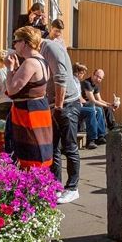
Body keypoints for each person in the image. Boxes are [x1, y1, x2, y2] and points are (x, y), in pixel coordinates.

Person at [39, 24, 82, 203]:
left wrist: (58, 106)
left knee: (69, 147)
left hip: (67, 104)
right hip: (54, 104)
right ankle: (55, 186)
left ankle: (72, 188)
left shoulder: (49, 47)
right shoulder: (42, 49)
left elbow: (61, 77)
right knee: (53, 148)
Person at [6, 26, 53, 169]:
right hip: (39, 109)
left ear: (25, 43)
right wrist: (16, 69)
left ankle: (29, 188)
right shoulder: (42, 61)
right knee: (40, 150)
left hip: (27, 113)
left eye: (16, 41)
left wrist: (9, 69)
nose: (14, 45)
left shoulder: (30, 62)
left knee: (29, 154)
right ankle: (41, 186)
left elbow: (12, 90)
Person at [73, 64, 106, 149]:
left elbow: (80, 97)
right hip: (73, 106)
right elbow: (92, 100)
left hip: (80, 104)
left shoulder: (77, 82)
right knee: (92, 109)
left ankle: (101, 136)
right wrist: (86, 102)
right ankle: (91, 140)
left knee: (99, 109)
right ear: (77, 73)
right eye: (82, 73)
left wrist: (109, 105)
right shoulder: (81, 82)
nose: (83, 75)